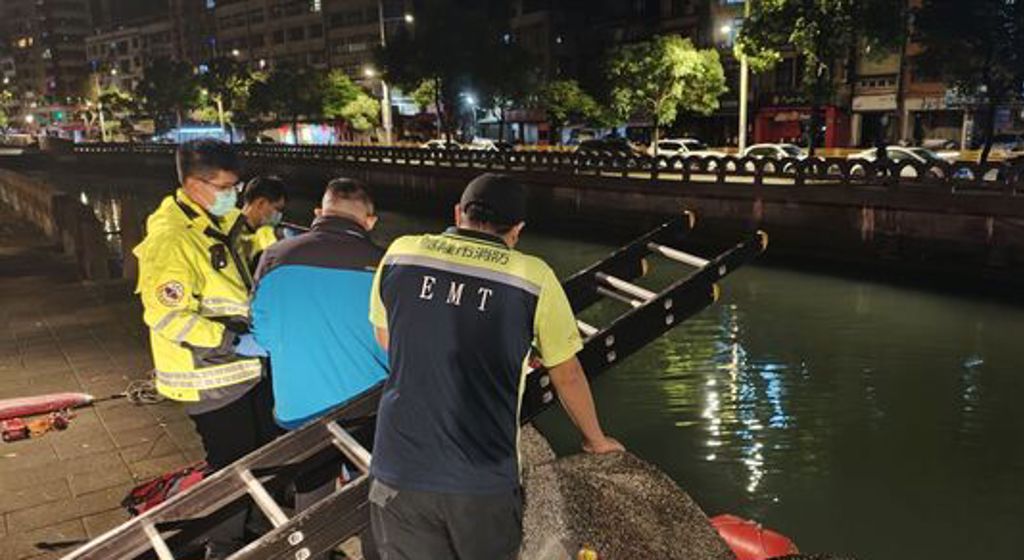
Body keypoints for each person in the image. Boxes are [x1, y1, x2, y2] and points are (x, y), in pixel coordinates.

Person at [367, 173, 624, 559]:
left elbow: (388, 337)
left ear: (459, 213)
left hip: (398, 469)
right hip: (480, 478)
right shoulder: (533, 277)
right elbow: (567, 373)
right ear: (517, 230)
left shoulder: (402, 253)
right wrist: (595, 440)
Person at [133, 138, 278, 559]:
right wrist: (233, 340)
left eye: (236, 186)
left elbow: (248, 248)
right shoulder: (172, 240)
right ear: (195, 185)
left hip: (242, 369)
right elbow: (167, 316)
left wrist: (281, 239)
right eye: (226, 187)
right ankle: (224, 544)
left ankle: (256, 528)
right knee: (231, 465)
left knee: (261, 451)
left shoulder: (215, 220)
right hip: (209, 375)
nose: (234, 194)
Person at [250, 177, 387, 560]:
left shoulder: (275, 256)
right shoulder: (387, 265)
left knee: (311, 502)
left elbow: (263, 335)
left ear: (317, 213)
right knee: (373, 497)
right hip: (369, 409)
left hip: (301, 408)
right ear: (370, 221)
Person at [237, 175, 289, 270]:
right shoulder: (229, 230)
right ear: (260, 203)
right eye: (277, 209)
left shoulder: (269, 237)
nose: (279, 215)